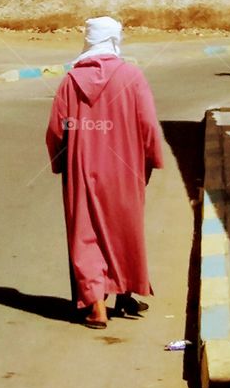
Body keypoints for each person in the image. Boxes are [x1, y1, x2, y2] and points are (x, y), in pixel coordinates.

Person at [45, 16, 163, 329]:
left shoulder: (71, 81)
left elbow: (58, 129)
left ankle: (98, 306)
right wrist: (152, 158)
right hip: (125, 167)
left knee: (87, 234)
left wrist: (60, 163)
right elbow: (149, 124)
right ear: (114, 40)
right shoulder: (132, 76)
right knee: (123, 228)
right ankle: (124, 290)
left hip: (83, 167)